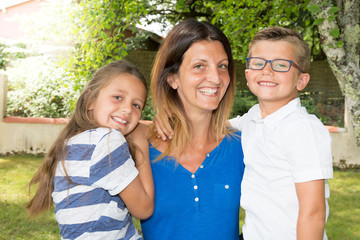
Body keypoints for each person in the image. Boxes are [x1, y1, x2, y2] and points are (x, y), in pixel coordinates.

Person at [155, 26, 333, 240]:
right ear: (248, 76)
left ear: (301, 81)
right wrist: (168, 116)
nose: (267, 71)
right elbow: (211, 127)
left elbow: (313, 213)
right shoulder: (253, 119)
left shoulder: (303, 129)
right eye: (259, 63)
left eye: (281, 65)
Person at [140, 19, 245, 240]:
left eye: (222, 66)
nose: (216, 78)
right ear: (172, 78)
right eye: (200, 66)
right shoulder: (141, 148)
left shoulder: (242, 146)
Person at [26, 60, 154, 240]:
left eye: (137, 105)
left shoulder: (73, 143)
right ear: (90, 100)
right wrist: (140, 141)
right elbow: (144, 208)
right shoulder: (107, 141)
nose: (127, 109)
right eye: (118, 97)